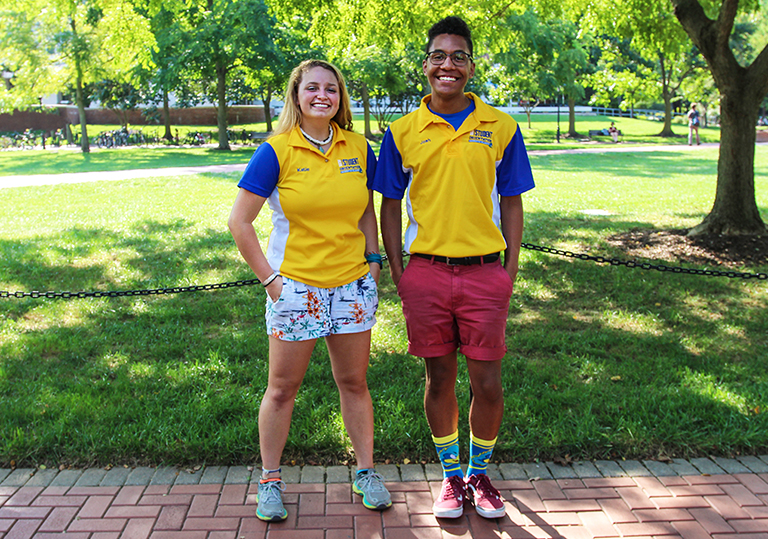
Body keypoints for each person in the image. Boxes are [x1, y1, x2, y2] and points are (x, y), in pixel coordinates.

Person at [373, 16, 535, 520]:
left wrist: (508, 268)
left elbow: (512, 201)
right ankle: (450, 478)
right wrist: (401, 272)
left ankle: (478, 474)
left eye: (458, 56)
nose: (448, 64)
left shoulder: (501, 126)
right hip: (426, 274)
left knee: (487, 383)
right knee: (439, 380)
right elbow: (389, 204)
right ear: (425, 66)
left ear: (470, 66)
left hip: (485, 274)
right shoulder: (401, 132)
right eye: (439, 55)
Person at [228, 59, 391, 522]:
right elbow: (240, 223)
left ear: (341, 99)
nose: (323, 96)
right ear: (296, 96)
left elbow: (365, 209)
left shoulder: (358, 147)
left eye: (332, 89)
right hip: (296, 290)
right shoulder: (275, 151)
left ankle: (365, 472)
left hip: (351, 286)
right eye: (313, 88)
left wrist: (374, 261)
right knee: (281, 389)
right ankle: (271, 481)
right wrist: (272, 282)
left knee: (354, 383)